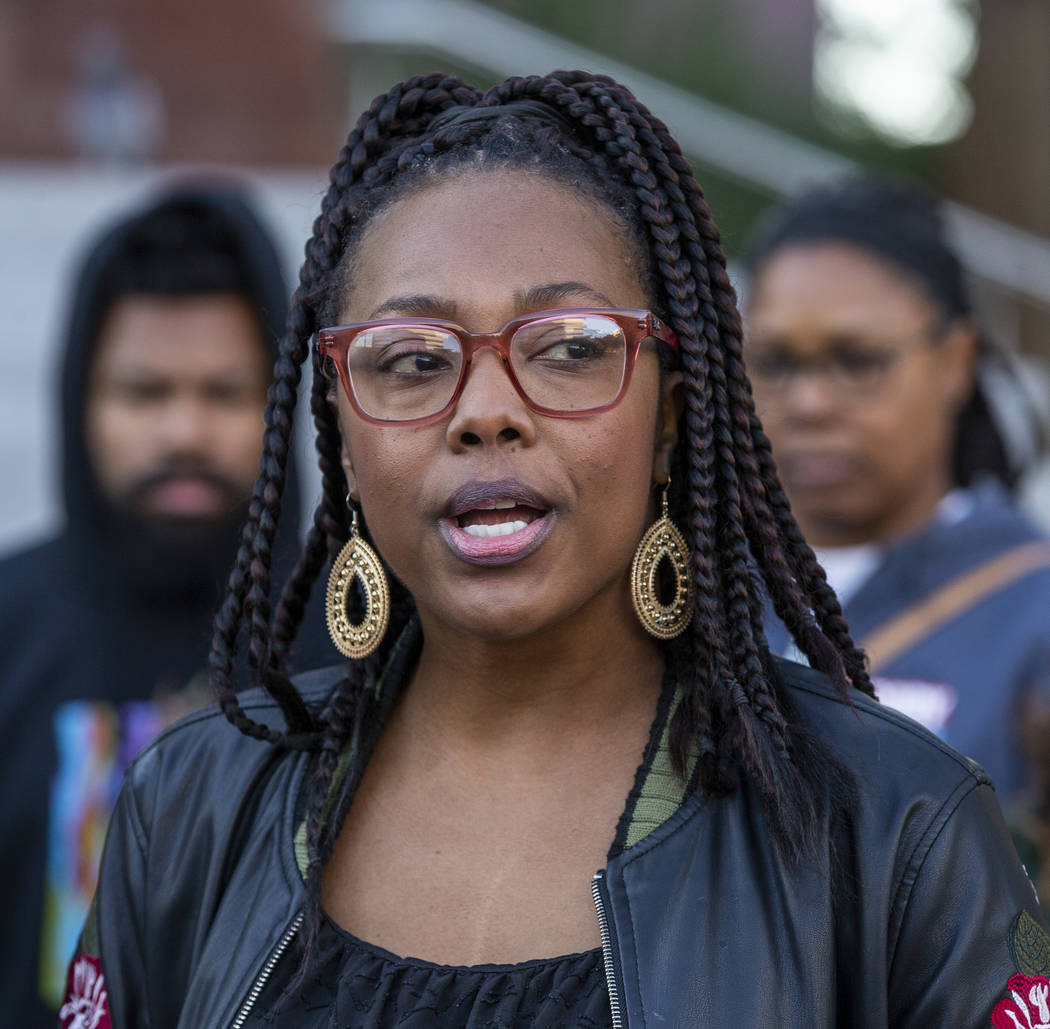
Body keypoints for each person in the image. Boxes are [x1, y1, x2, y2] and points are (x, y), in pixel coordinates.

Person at [63, 73, 1048, 1029]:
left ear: (671, 415)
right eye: (412, 360)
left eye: (570, 346)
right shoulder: (188, 807)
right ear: (343, 432)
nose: (488, 412)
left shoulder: (900, 831)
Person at [0, 182, 332, 1027]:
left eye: (224, 392)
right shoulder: (9, 622)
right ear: (83, 403)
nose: (184, 430)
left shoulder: (358, 632)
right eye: (144, 393)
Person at [743, 175, 1050, 803]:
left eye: (858, 361)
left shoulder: (1029, 608)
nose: (810, 403)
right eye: (773, 363)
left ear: (957, 360)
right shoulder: (681, 578)